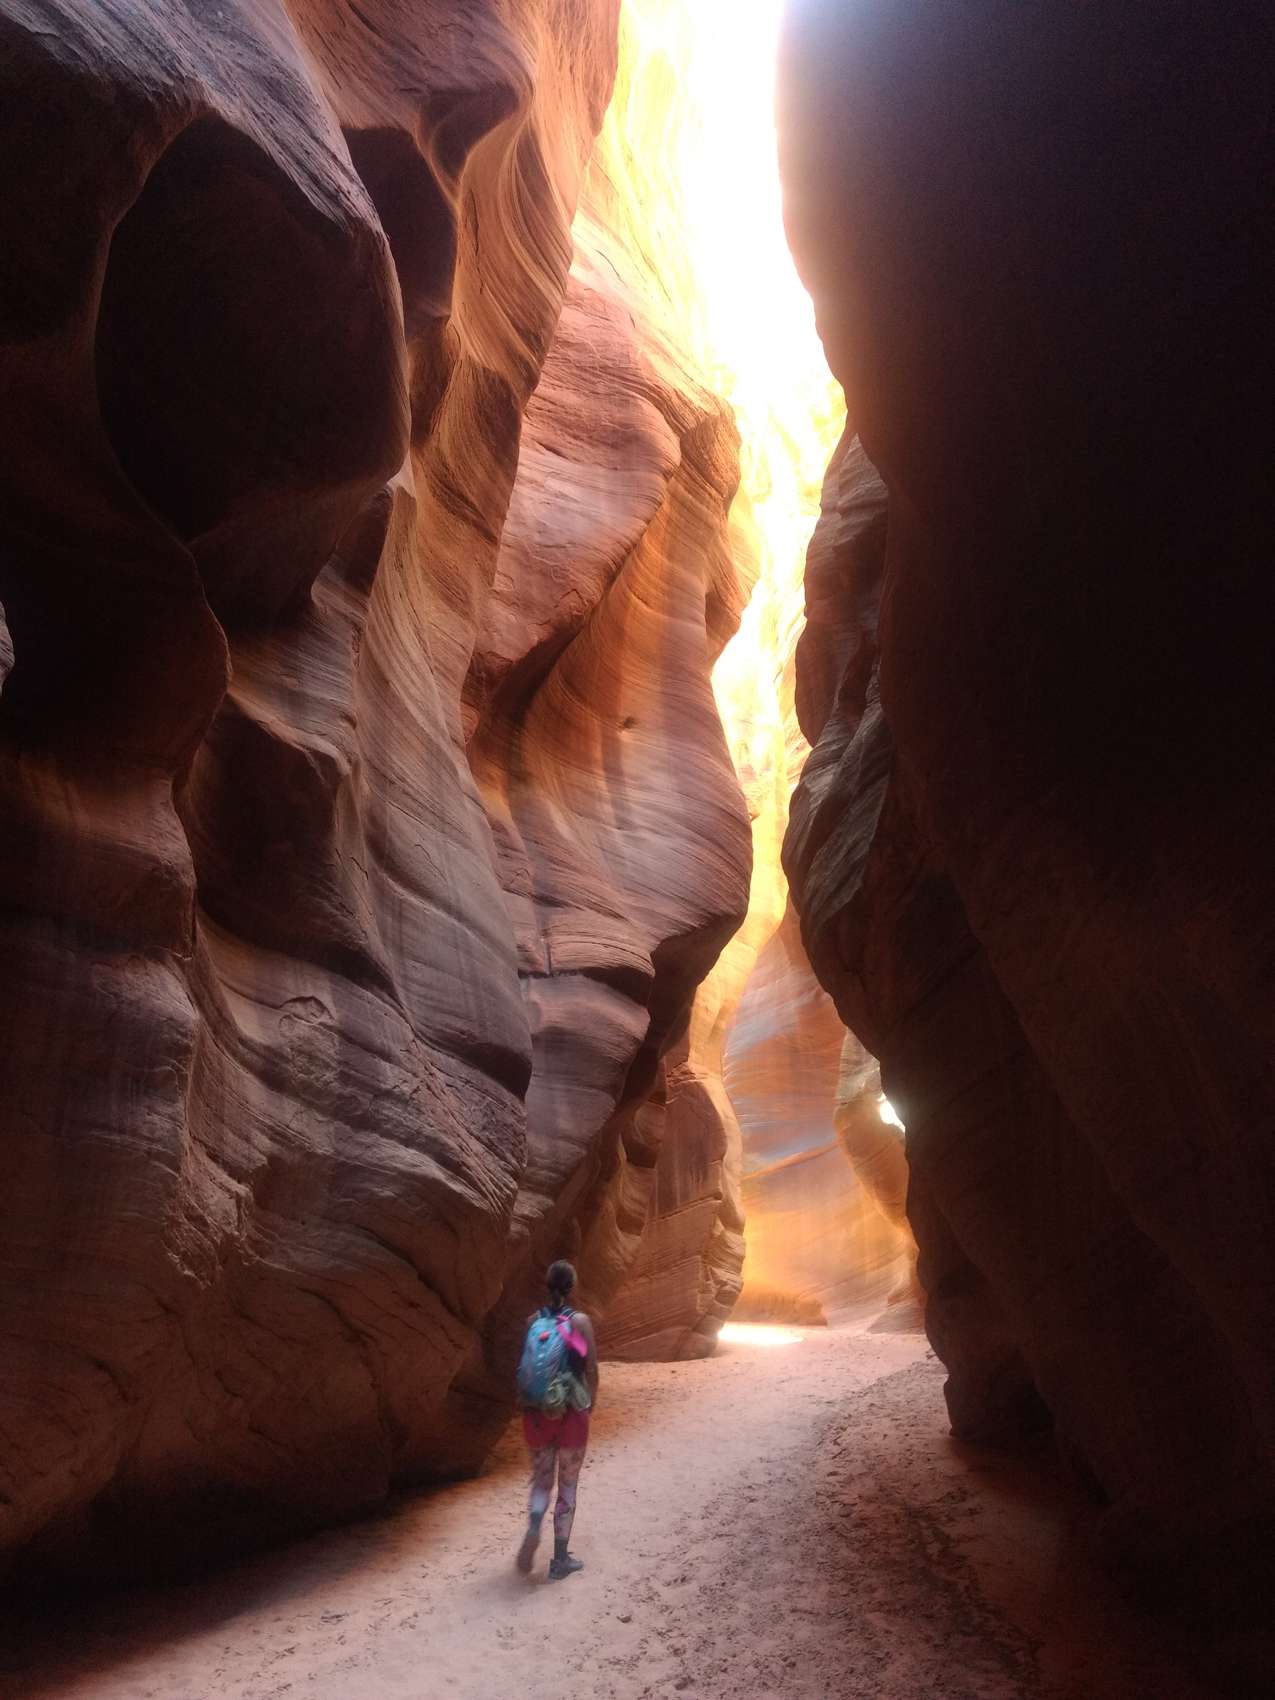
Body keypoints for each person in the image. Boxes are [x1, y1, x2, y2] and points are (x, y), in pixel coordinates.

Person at [515, 1259, 598, 1580]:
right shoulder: (580, 1323)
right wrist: (590, 1404)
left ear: (546, 1285)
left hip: (537, 1415)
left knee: (541, 1481)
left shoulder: (533, 1322)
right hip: (571, 1414)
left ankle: (534, 1524)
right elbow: (591, 1368)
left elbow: (524, 1368)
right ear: (572, 1287)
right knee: (568, 1485)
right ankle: (560, 1559)